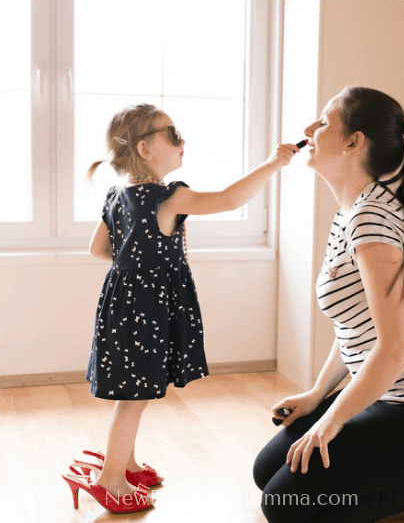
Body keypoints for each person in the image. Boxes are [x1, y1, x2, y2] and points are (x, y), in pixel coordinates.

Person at [253, 87, 404, 523]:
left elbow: (395, 347)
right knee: (269, 473)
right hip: (387, 396)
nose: (308, 131)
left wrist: (332, 420)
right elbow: (357, 325)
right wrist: (319, 394)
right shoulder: (352, 211)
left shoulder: (371, 219)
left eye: (322, 122)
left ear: (354, 142)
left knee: (284, 503)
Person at [61, 103, 298, 513]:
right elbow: (227, 199)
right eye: (172, 134)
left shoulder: (119, 195)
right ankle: (111, 478)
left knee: (136, 389)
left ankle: (127, 464)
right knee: (134, 396)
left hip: (124, 302)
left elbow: (99, 249)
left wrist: (136, 267)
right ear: (145, 148)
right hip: (148, 308)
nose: (181, 141)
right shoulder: (165, 196)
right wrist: (273, 164)